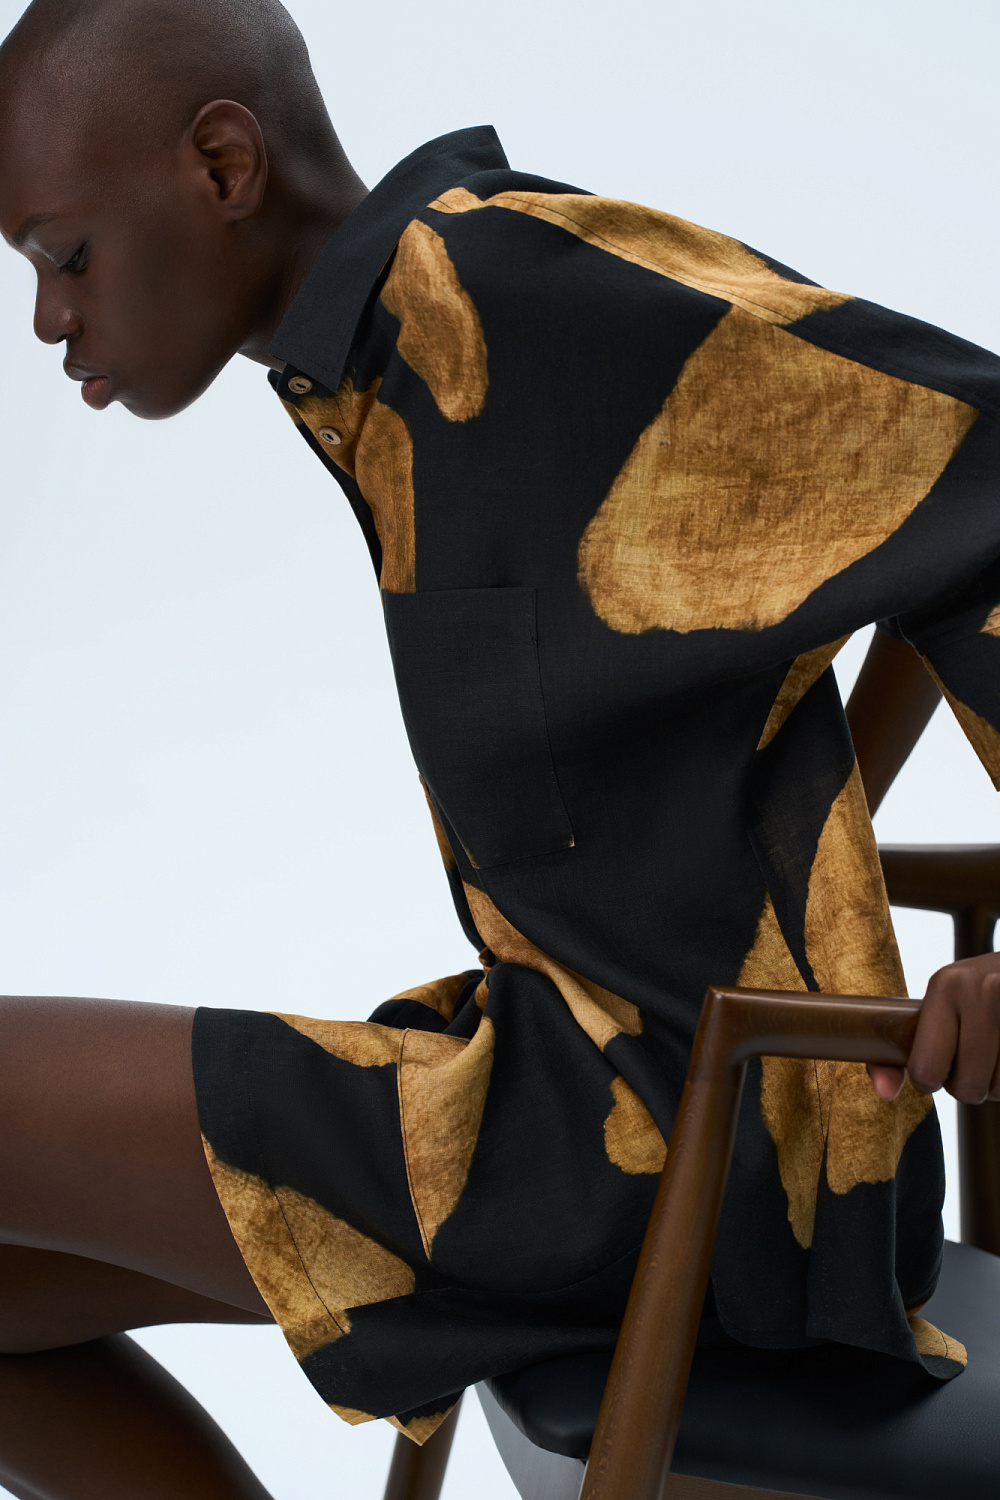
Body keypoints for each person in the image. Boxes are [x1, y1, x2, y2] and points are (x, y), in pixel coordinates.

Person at [0, 0, 998, 1494]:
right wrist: (810, 815)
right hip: (579, 1097)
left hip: (689, 1149)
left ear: (221, 166)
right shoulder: (378, 366)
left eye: (65, 254)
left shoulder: (522, 289)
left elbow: (975, 466)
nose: (47, 319)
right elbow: (921, 525)